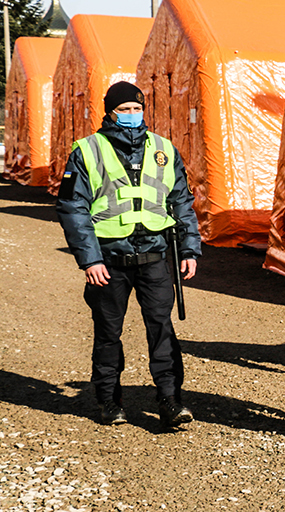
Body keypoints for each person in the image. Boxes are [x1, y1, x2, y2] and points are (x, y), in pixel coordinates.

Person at [56, 81, 201, 428]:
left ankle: (170, 400)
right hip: (109, 261)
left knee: (162, 329)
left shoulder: (163, 149)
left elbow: (181, 202)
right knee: (108, 332)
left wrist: (190, 248)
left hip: (154, 257)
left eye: (137, 109)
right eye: (125, 110)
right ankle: (109, 400)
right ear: (109, 112)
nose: (133, 115)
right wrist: (89, 259)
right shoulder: (88, 150)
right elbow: (72, 207)